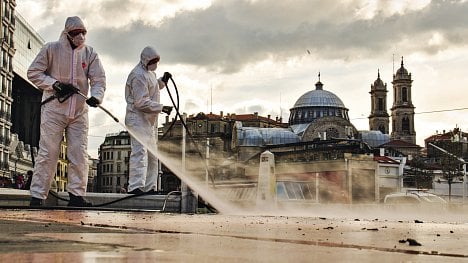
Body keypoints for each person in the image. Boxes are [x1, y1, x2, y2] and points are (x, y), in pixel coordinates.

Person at [27, 16, 106, 206]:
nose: (80, 36)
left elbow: (99, 79)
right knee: (48, 152)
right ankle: (38, 196)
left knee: (79, 152)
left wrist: (96, 96)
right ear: (67, 33)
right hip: (54, 109)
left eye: (83, 32)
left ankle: (76, 195)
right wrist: (54, 84)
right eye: (76, 33)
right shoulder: (51, 49)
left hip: (79, 111)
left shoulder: (90, 53)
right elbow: (33, 72)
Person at [125, 46, 172, 194]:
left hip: (149, 121)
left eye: (157, 61)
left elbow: (153, 87)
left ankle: (150, 186)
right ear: (145, 60)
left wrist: (162, 81)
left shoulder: (149, 73)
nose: (155, 63)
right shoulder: (138, 75)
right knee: (140, 152)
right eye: (153, 60)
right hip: (137, 119)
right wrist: (162, 108)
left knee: (152, 155)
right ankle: (135, 186)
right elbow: (141, 102)